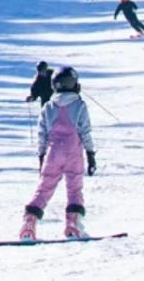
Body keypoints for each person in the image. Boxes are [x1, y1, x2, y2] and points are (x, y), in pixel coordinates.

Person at [19, 66, 96, 241]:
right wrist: (91, 154)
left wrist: (41, 156)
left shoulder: (48, 106)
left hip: (53, 153)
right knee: (74, 189)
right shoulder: (79, 105)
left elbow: (42, 133)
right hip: (73, 153)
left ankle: (29, 224)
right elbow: (85, 131)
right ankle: (73, 225)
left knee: (44, 188)